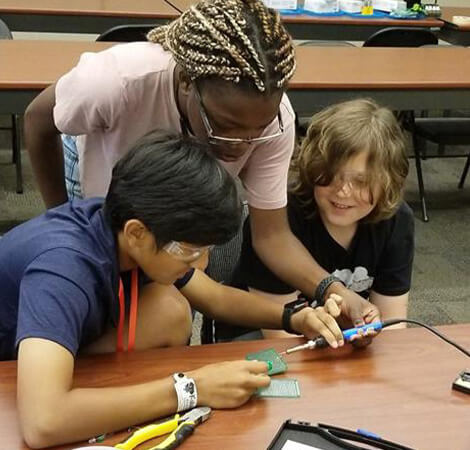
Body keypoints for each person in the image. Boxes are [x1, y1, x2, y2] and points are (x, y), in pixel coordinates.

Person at [24, 0, 376, 330]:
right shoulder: (114, 83)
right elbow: (38, 122)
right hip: (100, 181)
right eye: (225, 127)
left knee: (170, 309)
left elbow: (271, 236)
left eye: (257, 130)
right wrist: (65, 223)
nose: (241, 145)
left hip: (175, 213)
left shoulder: (274, 120)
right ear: (186, 82)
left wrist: (332, 290)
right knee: (99, 297)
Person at [0, 132, 346, 448]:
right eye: (193, 250)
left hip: (45, 351)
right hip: (14, 379)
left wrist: (293, 318)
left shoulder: (127, 229)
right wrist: (191, 389)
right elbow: (42, 423)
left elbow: (215, 298)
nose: (201, 262)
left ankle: (88, 397)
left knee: (169, 309)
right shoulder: (63, 268)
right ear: (137, 233)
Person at [236, 99, 414, 339]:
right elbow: (281, 337)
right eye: (331, 176)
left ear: (388, 183)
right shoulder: (279, 220)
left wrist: (369, 334)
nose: (343, 191)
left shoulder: (397, 221)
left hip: (334, 342)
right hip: (264, 338)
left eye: (361, 182)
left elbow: (392, 328)